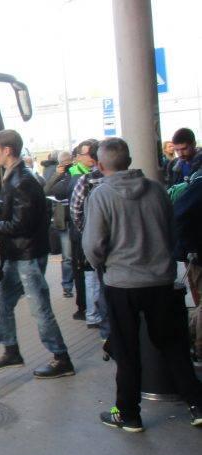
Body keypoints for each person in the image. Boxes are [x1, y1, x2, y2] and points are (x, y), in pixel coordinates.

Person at [82, 137, 202, 431]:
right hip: (160, 281)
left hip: (122, 284)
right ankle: (197, 405)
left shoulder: (101, 195)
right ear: (129, 160)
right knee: (173, 345)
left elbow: (93, 245)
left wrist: (103, 265)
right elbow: (172, 232)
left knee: (127, 350)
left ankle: (128, 414)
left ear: (101, 165)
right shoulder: (157, 190)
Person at [0, 129, 75, 378]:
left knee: (39, 307)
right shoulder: (16, 177)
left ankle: (61, 358)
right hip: (18, 254)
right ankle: (11, 350)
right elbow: (14, 210)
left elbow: (19, 224)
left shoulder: (22, 180)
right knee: (2, 301)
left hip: (27, 256)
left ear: (7, 150)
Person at [70, 152, 110, 339]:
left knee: (100, 286)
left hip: (100, 247)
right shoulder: (150, 186)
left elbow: (75, 212)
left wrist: (88, 236)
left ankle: (106, 334)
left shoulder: (86, 181)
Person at [68, 139, 99, 321]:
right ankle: (90, 312)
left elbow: (75, 211)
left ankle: (92, 314)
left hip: (89, 237)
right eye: (84, 154)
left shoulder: (84, 180)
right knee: (90, 276)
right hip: (86, 237)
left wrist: (86, 231)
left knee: (91, 277)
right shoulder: (76, 177)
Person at [174, 166, 202, 362]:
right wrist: (191, 247)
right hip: (197, 256)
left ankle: (189, 339)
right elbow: (178, 214)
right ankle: (198, 346)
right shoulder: (199, 186)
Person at [44, 150, 75, 298]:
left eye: (69, 161)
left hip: (76, 219)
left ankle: (74, 284)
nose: (67, 165)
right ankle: (67, 286)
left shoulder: (77, 172)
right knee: (67, 257)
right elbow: (45, 190)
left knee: (75, 256)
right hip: (64, 221)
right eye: (64, 162)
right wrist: (57, 174)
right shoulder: (56, 174)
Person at [166, 128, 201, 194]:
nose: (180, 154)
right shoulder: (172, 165)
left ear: (194, 144)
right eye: (177, 150)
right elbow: (169, 188)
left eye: (184, 149)